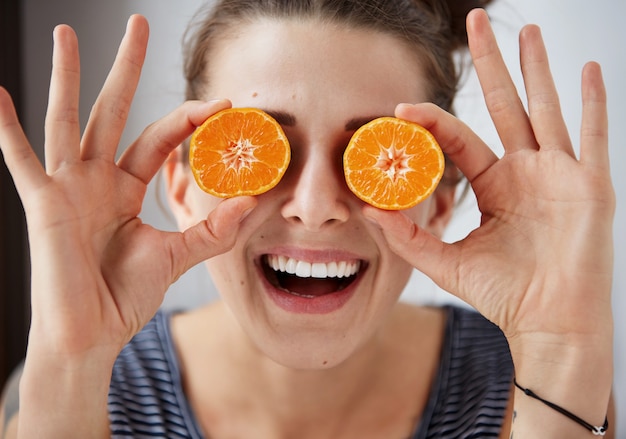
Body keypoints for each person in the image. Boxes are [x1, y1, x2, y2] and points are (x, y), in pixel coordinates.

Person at [0, 0, 617, 437]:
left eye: (377, 154)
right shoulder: (77, 392)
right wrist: (72, 365)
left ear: (438, 200)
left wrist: (563, 352)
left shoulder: (526, 387)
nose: (317, 207)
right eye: (262, 151)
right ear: (184, 188)